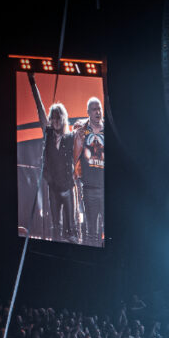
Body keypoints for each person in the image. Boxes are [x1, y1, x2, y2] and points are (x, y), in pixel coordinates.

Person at [27, 72, 76, 240]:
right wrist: (32, 82)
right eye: (53, 118)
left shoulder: (70, 138)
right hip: (54, 190)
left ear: (63, 119)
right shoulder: (47, 134)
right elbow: (39, 107)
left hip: (68, 189)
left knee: (71, 230)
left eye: (58, 118)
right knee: (56, 228)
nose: (55, 120)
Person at [73, 96, 104, 245]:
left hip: (105, 188)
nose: (98, 111)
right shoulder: (82, 133)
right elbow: (75, 157)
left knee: (107, 230)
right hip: (90, 188)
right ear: (88, 112)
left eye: (99, 108)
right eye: (94, 109)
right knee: (91, 231)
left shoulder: (107, 130)